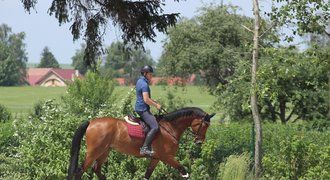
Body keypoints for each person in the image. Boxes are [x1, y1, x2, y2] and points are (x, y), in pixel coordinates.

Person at [135, 65, 161, 156]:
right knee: (155, 126)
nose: (151, 76)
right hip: (143, 109)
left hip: (139, 107)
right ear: (145, 73)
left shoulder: (139, 81)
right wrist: (156, 105)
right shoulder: (144, 84)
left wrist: (153, 101)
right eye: (150, 74)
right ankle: (145, 148)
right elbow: (146, 100)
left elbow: (144, 98)